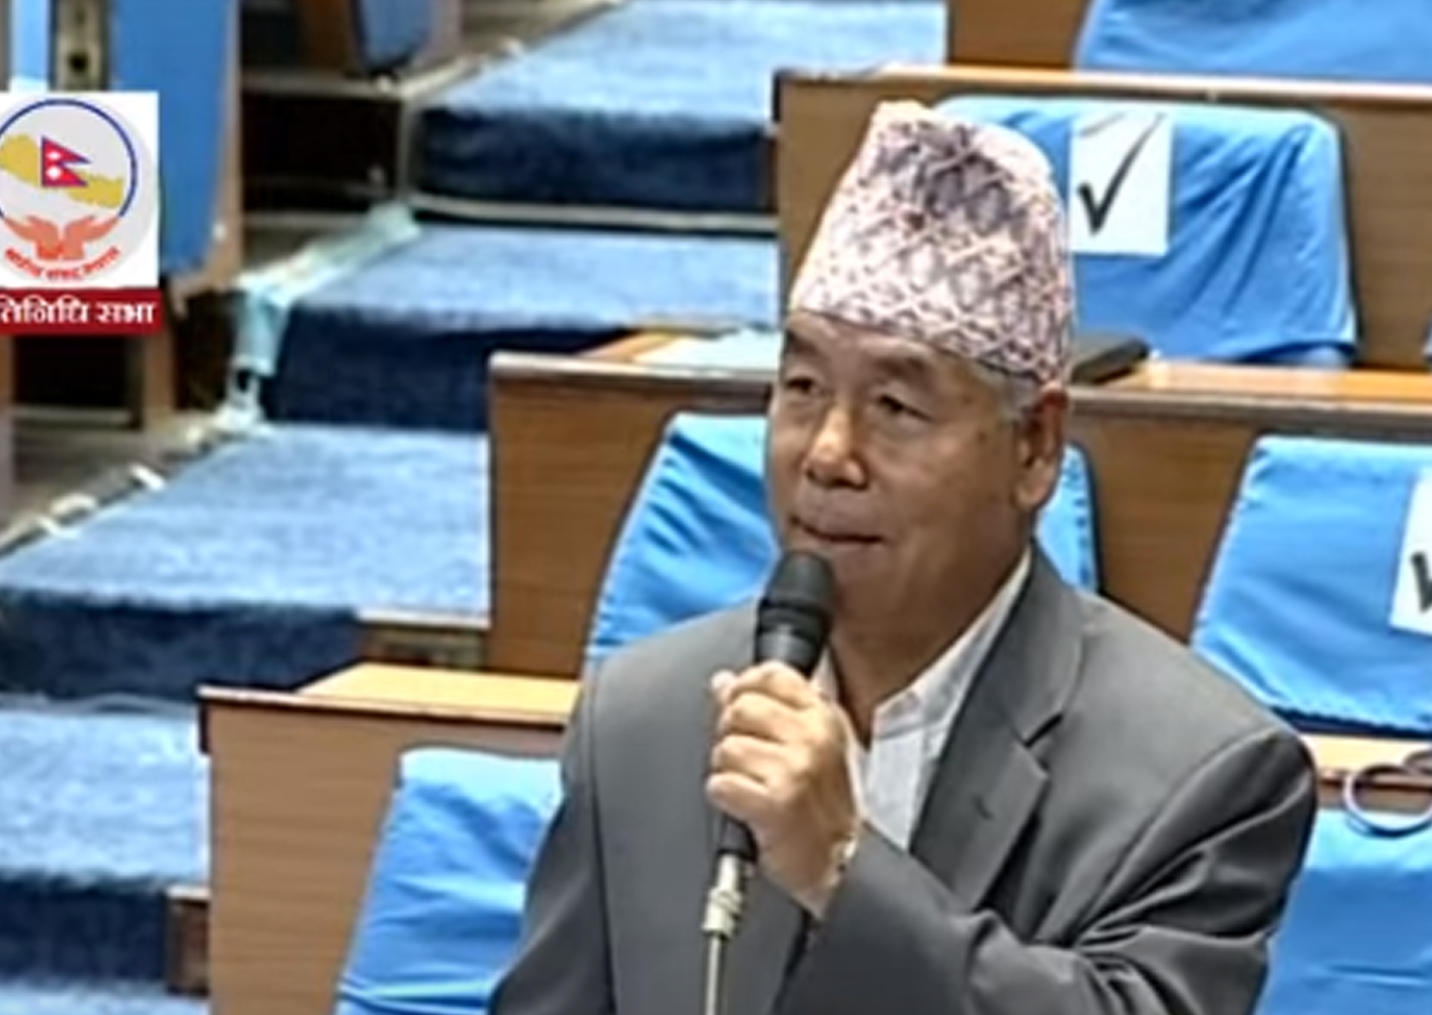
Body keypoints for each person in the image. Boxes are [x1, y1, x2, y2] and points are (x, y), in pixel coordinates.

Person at [491, 100, 1318, 1015]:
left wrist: (844, 869)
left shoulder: (1202, 771)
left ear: (1035, 448)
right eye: (802, 387)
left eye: (895, 407)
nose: (827, 453)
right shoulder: (640, 718)